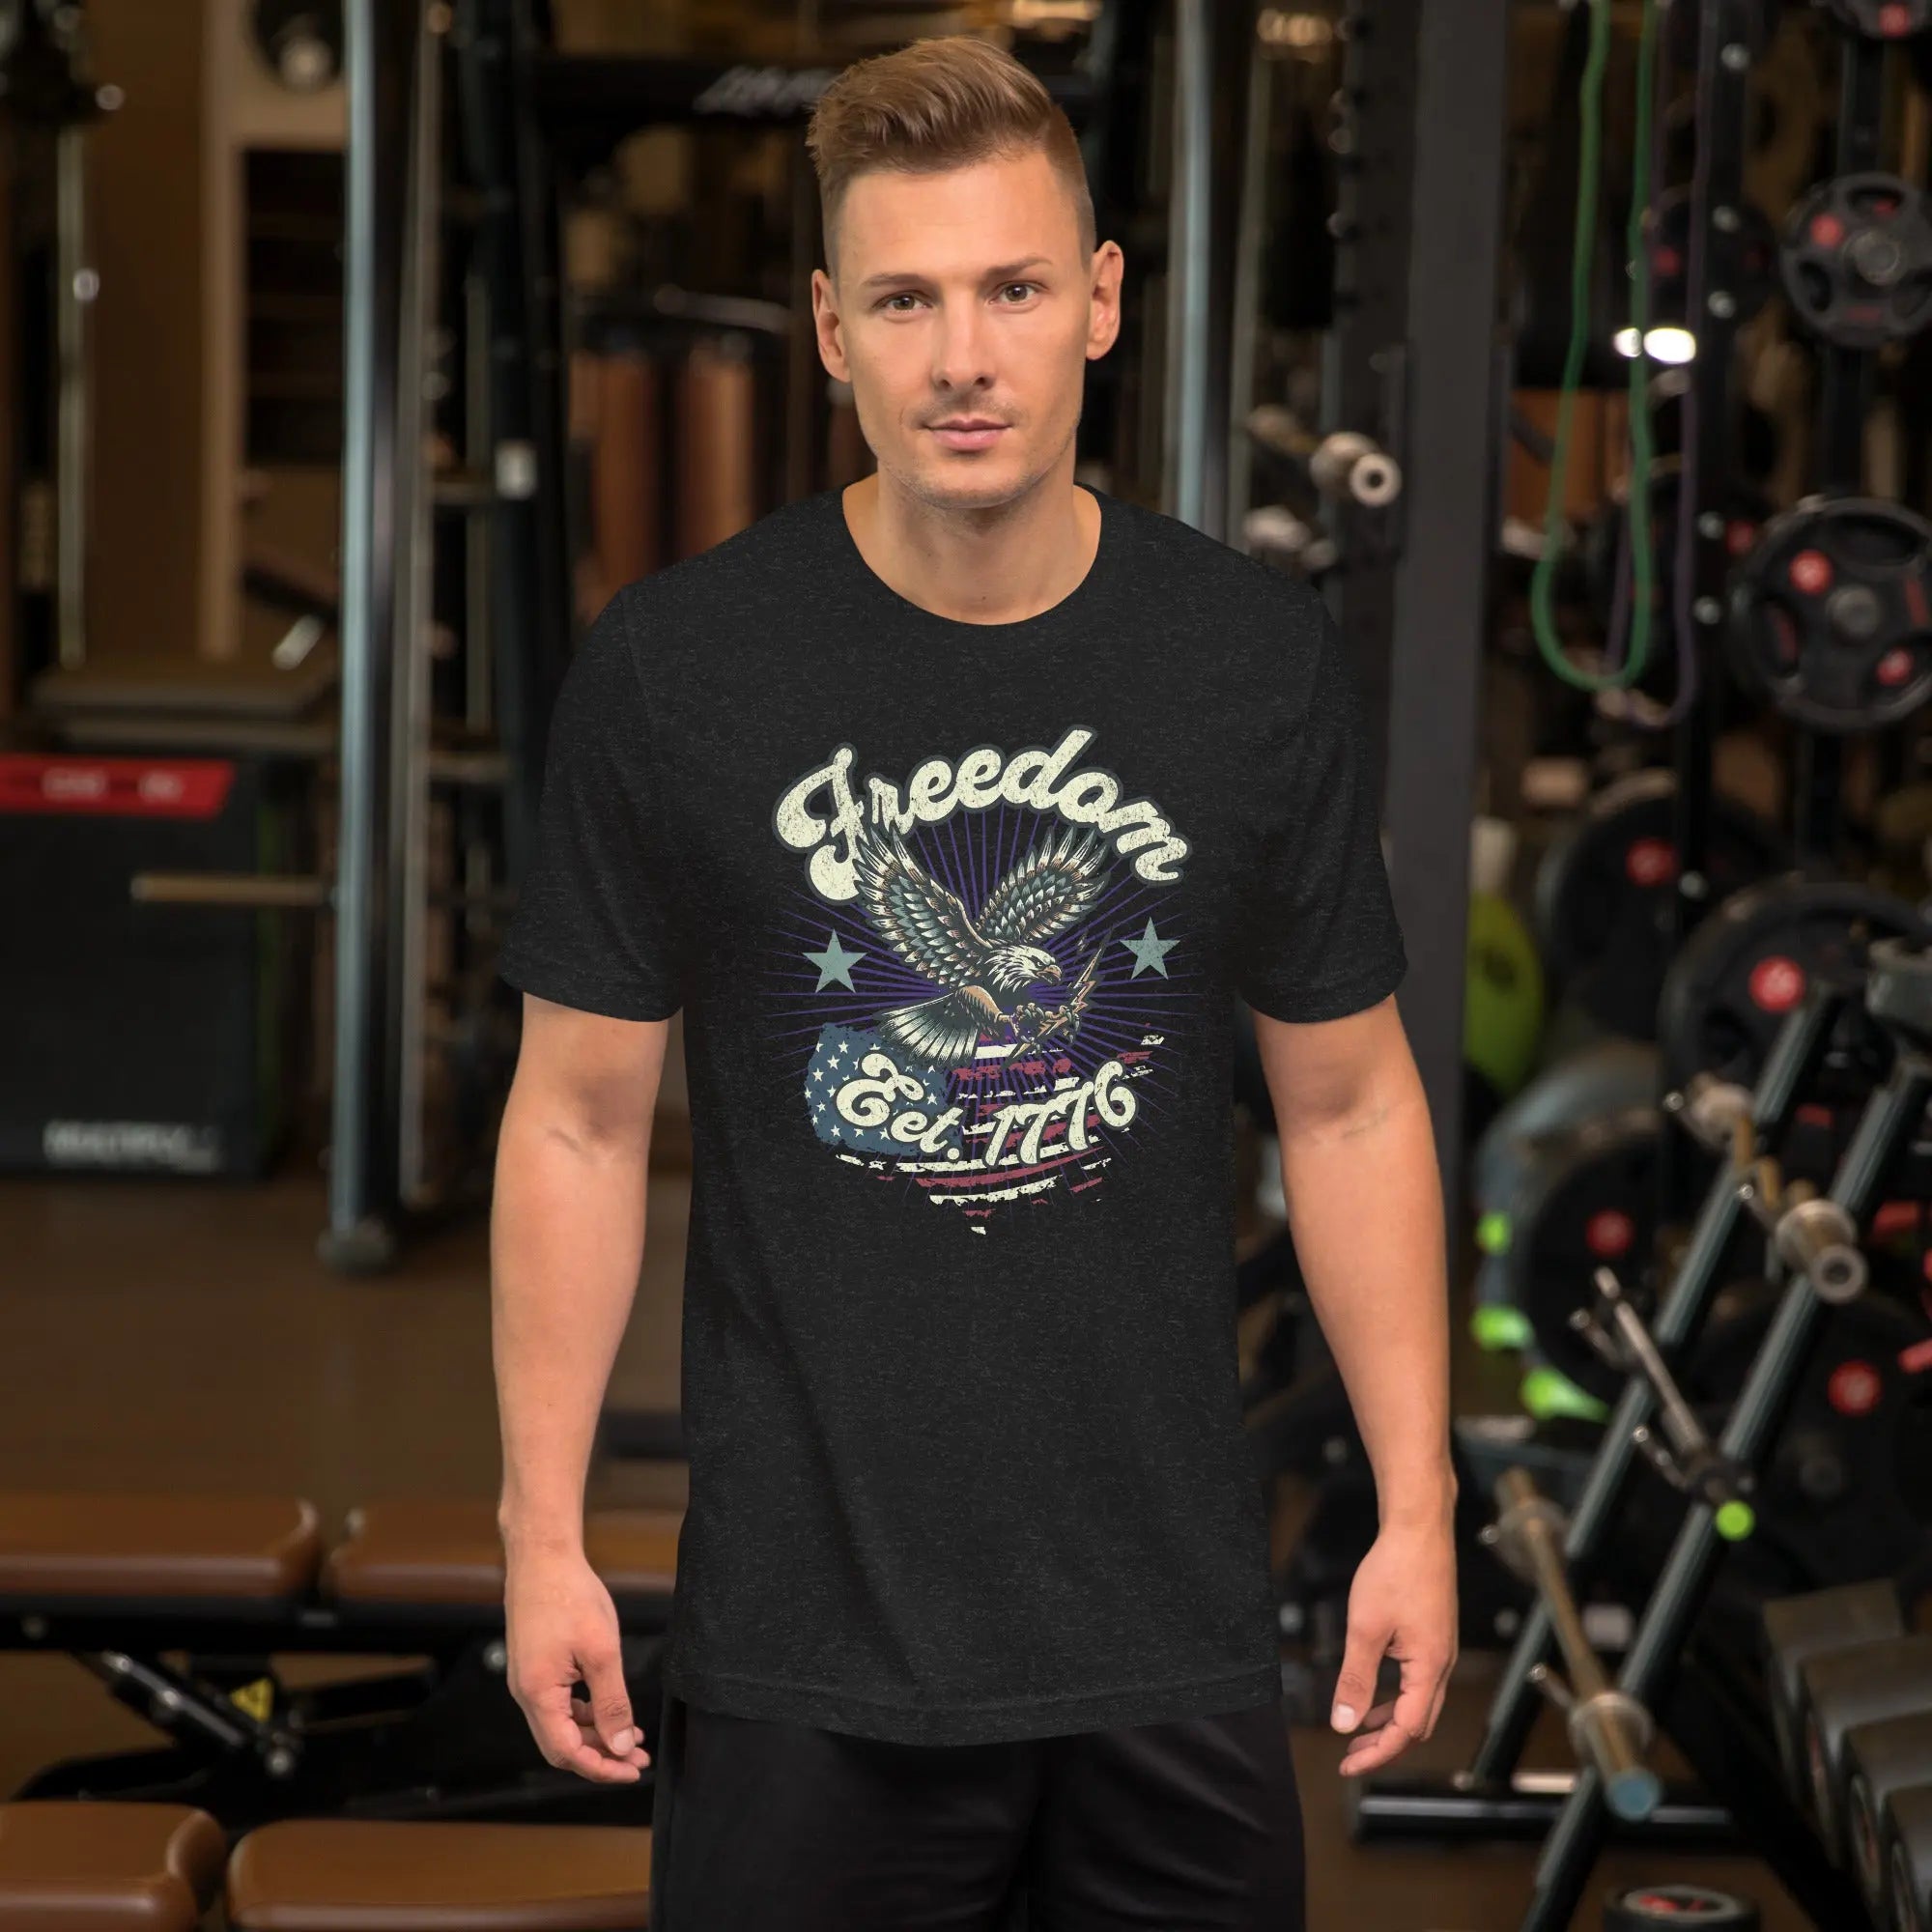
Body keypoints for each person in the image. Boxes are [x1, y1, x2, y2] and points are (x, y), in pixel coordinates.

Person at [490, 31, 1455, 1932]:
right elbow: (578, 1121)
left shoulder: (1247, 667)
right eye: (908, 299)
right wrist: (540, 1534)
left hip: (1165, 1633)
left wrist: (1413, 1512)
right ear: (831, 328)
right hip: (806, 1644)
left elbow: (1350, 1100)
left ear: (1097, 304)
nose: (962, 357)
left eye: (1012, 288)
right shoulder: (683, 673)